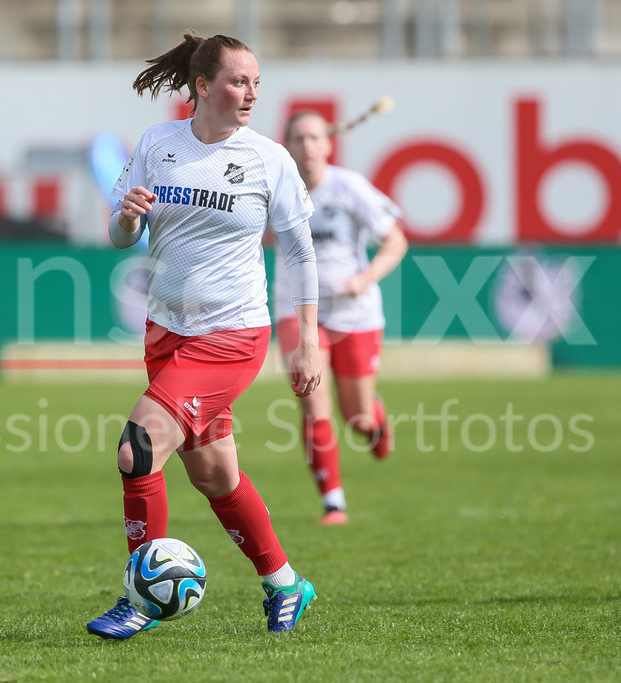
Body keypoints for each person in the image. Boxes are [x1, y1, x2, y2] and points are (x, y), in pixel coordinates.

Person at [85, 32, 323, 640]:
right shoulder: (159, 145)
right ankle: (285, 582)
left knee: (136, 450)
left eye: (256, 83)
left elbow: (300, 253)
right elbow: (118, 235)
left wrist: (310, 340)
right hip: (167, 331)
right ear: (202, 86)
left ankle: (139, 597)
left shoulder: (270, 159)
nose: (250, 94)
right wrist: (128, 217)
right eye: (239, 81)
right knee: (214, 476)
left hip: (232, 335)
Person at [273, 111, 409, 526]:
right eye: (298, 138)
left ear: (328, 144)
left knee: (357, 418)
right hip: (296, 311)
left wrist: (364, 278)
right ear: (286, 146)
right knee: (314, 405)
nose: (307, 146)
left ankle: (375, 420)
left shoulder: (349, 187)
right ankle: (334, 503)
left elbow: (395, 241)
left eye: (314, 137)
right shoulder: (274, 189)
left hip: (354, 312)